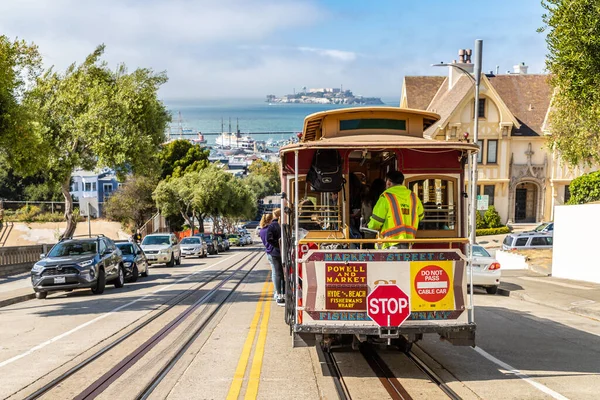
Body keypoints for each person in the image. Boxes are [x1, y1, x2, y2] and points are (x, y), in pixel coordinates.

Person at [368, 171, 424, 249]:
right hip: (408, 242)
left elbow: (376, 222)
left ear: (388, 182)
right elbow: (421, 216)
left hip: (390, 243)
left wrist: (369, 226)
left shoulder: (386, 198)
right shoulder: (414, 197)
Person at [266, 208, 285, 306]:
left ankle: (279, 294)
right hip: (286, 252)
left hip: (276, 253)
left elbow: (269, 239)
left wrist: (277, 245)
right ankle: (285, 293)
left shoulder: (272, 226)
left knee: (278, 274)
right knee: (285, 274)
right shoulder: (284, 224)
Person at [258, 213, 277, 297]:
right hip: (274, 251)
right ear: (271, 219)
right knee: (277, 273)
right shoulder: (270, 228)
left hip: (268, 252)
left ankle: (276, 292)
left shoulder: (262, 230)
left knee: (274, 273)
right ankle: (277, 293)